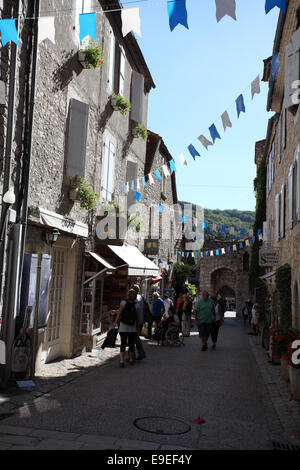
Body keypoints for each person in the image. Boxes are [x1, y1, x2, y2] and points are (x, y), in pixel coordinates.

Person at [114, 289, 141, 368]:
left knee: (123, 343)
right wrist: (138, 328)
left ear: (128, 295)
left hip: (123, 326)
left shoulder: (123, 303)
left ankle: (122, 361)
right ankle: (131, 359)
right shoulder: (137, 305)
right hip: (132, 327)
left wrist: (115, 323)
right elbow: (138, 318)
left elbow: (119, 314)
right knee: (131, 344)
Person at [132, 284, 146, 360]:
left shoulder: (135, 299)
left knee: (133, 338)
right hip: (140, 320)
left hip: (135, 321)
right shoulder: (141, 297)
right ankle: (140, 353)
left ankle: (133, 356)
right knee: (136, 338)